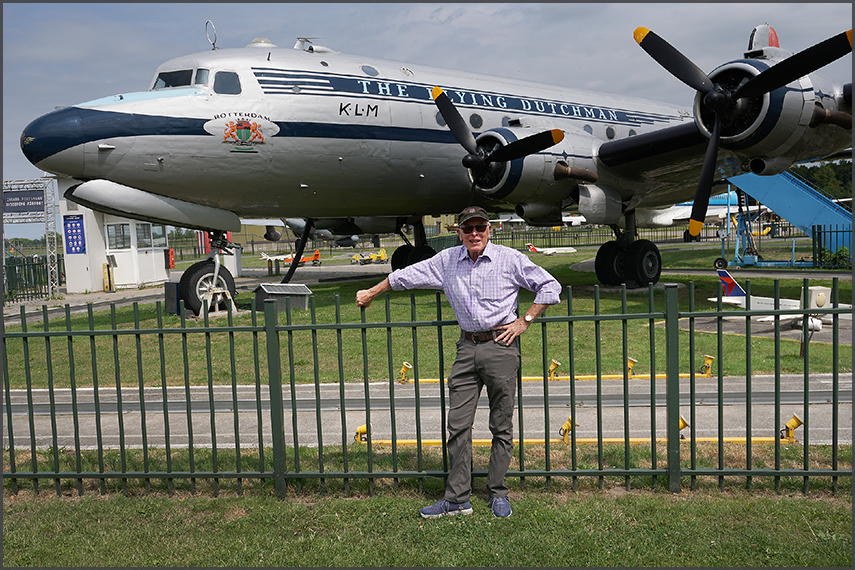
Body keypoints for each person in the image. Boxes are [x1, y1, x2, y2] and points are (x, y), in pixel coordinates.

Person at [356, 206, 562, 518]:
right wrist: (372, 292)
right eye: (469, 229)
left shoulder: (510, 258)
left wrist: (525, 320)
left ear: (489, 230)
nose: (475, 234)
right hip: (467, 348)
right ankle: (457, 498)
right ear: (459, 233)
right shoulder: (447, 260)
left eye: (480, 227)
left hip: (501, 347)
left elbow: (550, 286)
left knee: (501, 425)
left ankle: (497, 493)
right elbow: (405, 276)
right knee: (458, 426)